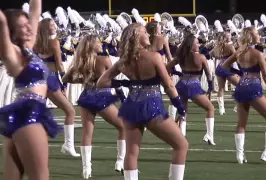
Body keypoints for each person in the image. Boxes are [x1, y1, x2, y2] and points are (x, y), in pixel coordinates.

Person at [97, 23, 188, 180]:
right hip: (152, 107)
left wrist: (126, 83)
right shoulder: (154, 57)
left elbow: (101, 83)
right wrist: (180, 108)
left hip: (131, 106)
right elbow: (169, 85)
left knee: (131, 152)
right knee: (181, 145)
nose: (148, 35)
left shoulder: (123, 62)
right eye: (145, 32)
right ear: (136, 37)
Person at [0, 1, 62, 179]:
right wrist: (3, 24)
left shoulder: (28, 49)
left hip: (23, 112)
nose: (29, 28)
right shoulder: (11, 53)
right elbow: (2, 23)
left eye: (28, 24)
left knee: (12, 177)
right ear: (12, 31)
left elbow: (35, 9)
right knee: (41, 176)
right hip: (29, 114)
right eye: (22, 26)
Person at [62, 34, 126, 179]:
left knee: (87, 133)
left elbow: (66, 78)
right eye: (98, 42)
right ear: (91, 45)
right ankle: (120, 162)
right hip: (101, 97)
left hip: (86, 97)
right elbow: (114, 81)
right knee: (123, 126)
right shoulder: (104, 60)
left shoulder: (81, 61)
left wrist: (83, 80)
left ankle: (86, 169)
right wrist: (123, 99)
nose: (101, 44)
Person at [222, 27, 266, 164]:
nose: (259, 35)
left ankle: (240, 156)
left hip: (241, 86)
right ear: (251, 36)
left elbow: (224, 66)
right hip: (253, 86)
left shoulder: (239, 52)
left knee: (241, 123)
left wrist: (240, 72)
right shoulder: (257, 54)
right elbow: (265, 76)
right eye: (257, 34)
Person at [34, 18, 79, 156]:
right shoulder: (54, 42)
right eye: (51, 25)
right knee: (70, 111)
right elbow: (59, 66)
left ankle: (35, 145)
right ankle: (68, 145)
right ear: (46, 28)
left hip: (38, 80)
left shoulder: (37, 44)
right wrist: (64, 83)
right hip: (51, 79)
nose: (54, 26)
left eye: (54, 24)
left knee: (40, 113)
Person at [166, 34, 215, 145]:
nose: (198, 44)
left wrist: (176, 73)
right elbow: (208, 75)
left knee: (183, 111)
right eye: (196, 43)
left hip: (181, 84)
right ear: (191, 45)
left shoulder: (181, 56)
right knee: (210, 108)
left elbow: (167, 67)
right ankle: (209, 135)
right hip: (194, 85)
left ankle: (180, 134)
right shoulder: (201, 57)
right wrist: (210, 88)